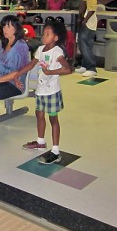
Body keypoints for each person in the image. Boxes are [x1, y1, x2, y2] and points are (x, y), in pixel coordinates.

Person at [13, 21, 71, 164]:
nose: (44, 36)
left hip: (52, 91)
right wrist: (17, 74)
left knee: (53, 119)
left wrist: (50, 71)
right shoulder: (40, 49)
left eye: (47, 34)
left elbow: (67, 69)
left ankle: (56, 151)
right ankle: (40, 142)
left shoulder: (57, 52)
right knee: (39, 114)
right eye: (43, 33)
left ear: (56, 38)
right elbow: (31, 64)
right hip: (41, 90)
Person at [75, 0, 98, 77]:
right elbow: (82, 6)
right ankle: (85, 66)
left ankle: (92, 68)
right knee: (82, 44)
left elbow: (92, 8)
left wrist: (85, 20)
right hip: (84, 21)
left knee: (86, 45)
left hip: (89, 23)